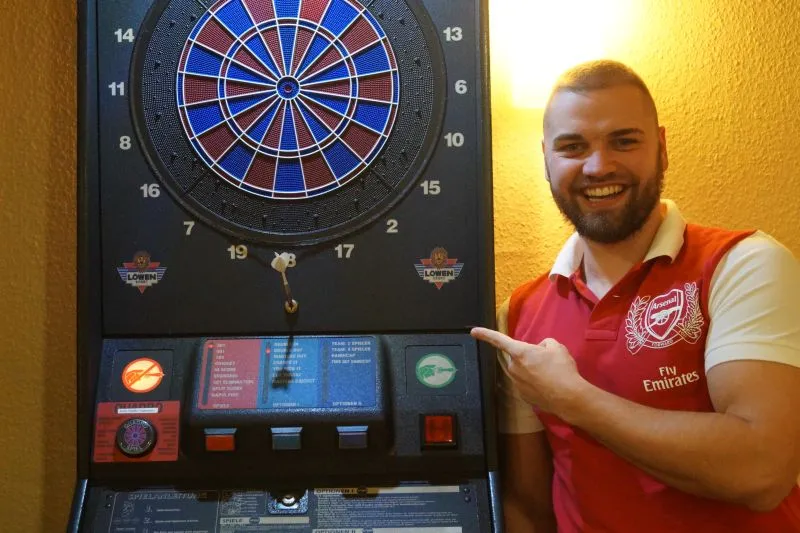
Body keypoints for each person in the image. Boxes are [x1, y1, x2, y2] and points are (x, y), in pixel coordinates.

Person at [471, 59, 800, 532]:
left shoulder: (743, 265)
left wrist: (573, 399)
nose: (598, 166)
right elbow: (528, 507)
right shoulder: (519, 314)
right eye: (572, 147)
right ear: (546, 159)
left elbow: (761, 471)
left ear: (661, 149)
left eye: (624, 141)